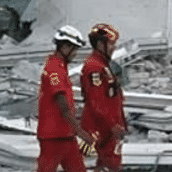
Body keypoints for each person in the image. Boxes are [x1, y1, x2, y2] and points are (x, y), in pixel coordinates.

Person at [38, 25, 96, 172]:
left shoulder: (60, 66)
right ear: (65, 46)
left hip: (66, 134)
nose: (75, 54)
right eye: (74, 49)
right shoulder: (54, 69)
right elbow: (62, 103)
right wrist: (80, 131)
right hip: (54, 135)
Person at [81, 23, 127, 172]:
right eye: (111, 44)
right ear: (100, 44)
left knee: (108, 166)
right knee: (108, 166)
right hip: (101, 131)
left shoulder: (105, 66)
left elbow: (113, 98)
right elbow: (96, 103)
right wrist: (113, 125)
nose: (114, 47)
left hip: (110, 131)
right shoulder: (94, 68)